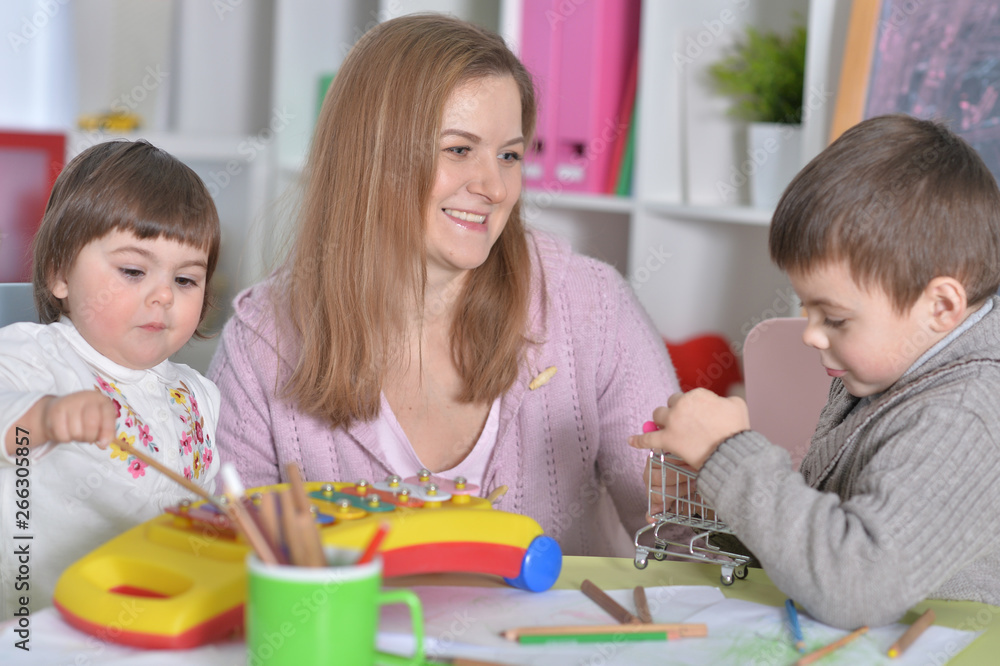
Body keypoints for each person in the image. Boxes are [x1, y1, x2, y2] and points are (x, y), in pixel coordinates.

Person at [208, 13, 679, 557]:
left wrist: (725, 471)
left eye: (509, 155)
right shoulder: (260, 341)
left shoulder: (589, 304)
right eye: (459, 150)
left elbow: (684, 542)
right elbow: (232, 564)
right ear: (371, 158)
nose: (494, 186)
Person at [631, 114, 1000, 628]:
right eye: (806, 309)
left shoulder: (963, 418)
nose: (810, 334)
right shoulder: (885, 370)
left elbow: (854, 586)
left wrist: (728, 453)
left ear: (940, 306)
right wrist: (716, 499)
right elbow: (819, 539)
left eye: (835, 317)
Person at [0, 140, 222, 620]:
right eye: (133, 270)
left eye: (185, 280)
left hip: (153, 623)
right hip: (35, 633)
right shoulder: (32, 356)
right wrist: (46, 417)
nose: (163, 295)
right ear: (59, 272)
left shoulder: (198, 396)